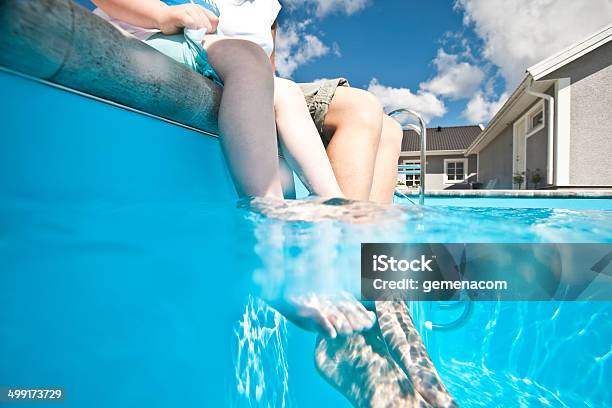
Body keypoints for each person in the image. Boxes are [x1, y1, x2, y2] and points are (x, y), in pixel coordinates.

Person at [93, 0, 344, 199]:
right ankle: (266, 201)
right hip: (145, 36)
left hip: (191, 46)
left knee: (287, 91)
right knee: (248, 56)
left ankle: (332, 201)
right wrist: (162, 15)